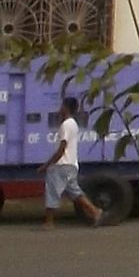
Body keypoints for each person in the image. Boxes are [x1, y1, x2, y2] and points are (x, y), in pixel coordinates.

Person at [41, 95, 104, 229]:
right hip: (71, 164)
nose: (59, 109)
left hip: (61, 165)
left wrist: (47, 165)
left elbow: (62, 148)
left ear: (66, 107)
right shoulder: (73, 124)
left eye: (61, 106)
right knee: (75, 193)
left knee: (52, 192)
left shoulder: (66, 125)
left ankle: (49, 222)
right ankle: (95, 211)